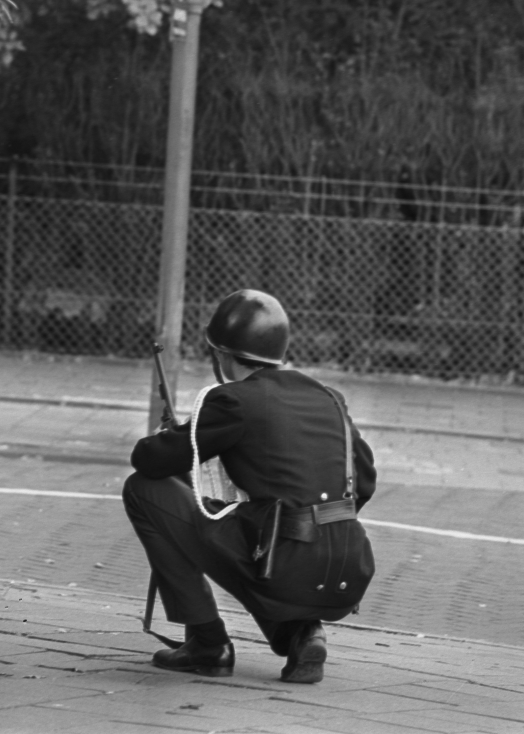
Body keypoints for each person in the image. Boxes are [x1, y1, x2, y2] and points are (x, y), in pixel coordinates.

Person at [123, 289, 376, 683]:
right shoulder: (329, 397)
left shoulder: (233, 401)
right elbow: (365, 482)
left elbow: (150, 462)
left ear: (221, 355)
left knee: (143, 490)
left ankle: (207, 641)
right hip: (347, 567)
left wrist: (170, 435)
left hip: (284, 564)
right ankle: (301, 632)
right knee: (266, 530)